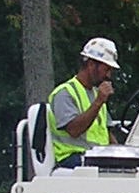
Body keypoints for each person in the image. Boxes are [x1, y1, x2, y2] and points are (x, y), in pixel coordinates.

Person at [49, 36, 118, 169]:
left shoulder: (96, 93)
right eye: (106, 69)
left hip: (95, 157)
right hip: (71, 159)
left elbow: (107, 134)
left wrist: (122, 154)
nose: (109, 76)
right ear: (92, 64)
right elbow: (74, 130)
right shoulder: (64, 93)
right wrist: (98, 102)